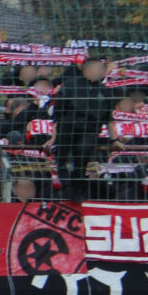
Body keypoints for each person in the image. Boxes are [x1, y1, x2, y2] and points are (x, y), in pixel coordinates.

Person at [52, 57, 116, 200]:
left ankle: (77, 189)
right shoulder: (70, 86)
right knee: (63, 157)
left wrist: (114, 139)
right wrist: (54, 136)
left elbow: (108, 118)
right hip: (68, 129)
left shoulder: (105, 92)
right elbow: (58, 114)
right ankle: (65, 183)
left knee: (83, 154)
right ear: (86, 69)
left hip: (90, 130)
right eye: (98, 68)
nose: (101, 71)